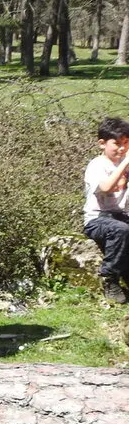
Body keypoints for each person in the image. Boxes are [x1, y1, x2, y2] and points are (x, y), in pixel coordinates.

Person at [83, 117, 129, 303]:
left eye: (125, 143)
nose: (121, 148)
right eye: (116, 144)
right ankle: (109, 278)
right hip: (97, 219)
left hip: (121, 215)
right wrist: (125, 165)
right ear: (102, 144)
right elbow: (106, 187)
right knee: (121, 230)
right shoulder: (97, 165)